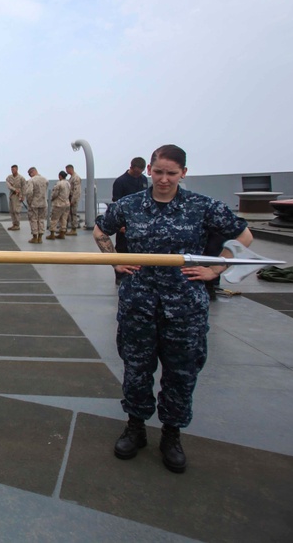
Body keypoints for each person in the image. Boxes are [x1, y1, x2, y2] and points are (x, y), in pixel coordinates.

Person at [93, 144, 251, 474]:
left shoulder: (202, 206)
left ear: (183, 173)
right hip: (139, 303)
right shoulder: (129, 205)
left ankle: (171, 435)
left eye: (171, 173)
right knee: (137, 368)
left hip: (185, 307)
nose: (164, 179)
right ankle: (135, 428)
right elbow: (100, 231)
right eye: (159, 172)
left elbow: (244, 236)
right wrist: (116, 262)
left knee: (181, 372)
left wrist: (215, 270)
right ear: (149, 170)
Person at [111, 157, 149, 284]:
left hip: (140, 221)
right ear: (131, 167)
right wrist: (120, 224)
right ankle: (120, 275)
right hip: (124, 221)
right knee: (122, 248)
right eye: (137, 172)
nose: (139, 175)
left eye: (141, 172)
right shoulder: (120, 182)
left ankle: (137, 273)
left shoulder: (143, 180)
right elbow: (116, 203)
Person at [25, 167, 48, 244]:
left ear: (32, 172)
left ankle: (35, 237)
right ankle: (40, 238)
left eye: (29, 174)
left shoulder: (31, 181)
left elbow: (29, 193)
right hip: (43, 203)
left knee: (34, 220)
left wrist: (29, 202)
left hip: (34, 203)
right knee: (41, 219)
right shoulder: (45, 180)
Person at [46, 171, 71, 240]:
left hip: (59, 204)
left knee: (54, 219)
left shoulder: (59, 184)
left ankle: (52, 234)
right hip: (67, 203)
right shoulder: (68, 183)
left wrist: (51, 199)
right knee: (64, 219)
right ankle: (62, 233)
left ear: (60, 176)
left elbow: (54, 194)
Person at [5, 165, 24, 230]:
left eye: (13, 169)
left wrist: (23, 196)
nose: (12, 171)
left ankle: (17, 224)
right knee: (12, 210)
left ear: (17, 169)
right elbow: (8, 185)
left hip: (18, 196)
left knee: (16, 210)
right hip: (12, 195)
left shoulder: (21, 178)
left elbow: (24, 187)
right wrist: (14, 189)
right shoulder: (9, 177)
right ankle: (14, 224)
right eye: (11, 169)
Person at [66, 164, 82, 234]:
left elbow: (77, 190)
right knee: (71, 214)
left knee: (73, 213)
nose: (66, 171)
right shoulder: (71, 177)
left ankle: (74, 229)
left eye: (67, 169)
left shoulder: (76, 177)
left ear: (70, 169)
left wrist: (73, 200)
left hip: (73, 198)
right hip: (70, 197)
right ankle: (72, 228)